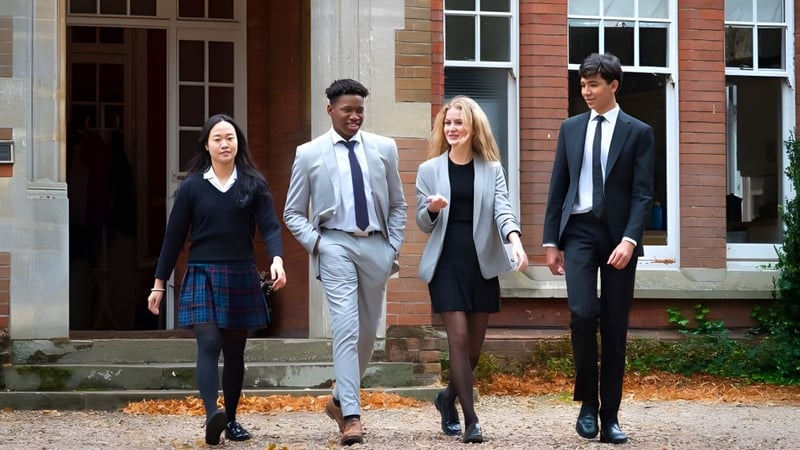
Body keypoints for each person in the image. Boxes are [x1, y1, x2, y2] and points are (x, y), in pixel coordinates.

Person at [147, 113, 287, 446]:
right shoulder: (193, 186)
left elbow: (270, 226)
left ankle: (233, 419)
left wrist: (278, 259)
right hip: (202, 273)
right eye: (217, 139)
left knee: (235, 351)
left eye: (230, 138)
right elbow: (173, 238)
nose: (224, 144)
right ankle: (213, 416)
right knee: (209, 342)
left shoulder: (254, 182)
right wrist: (158, 284)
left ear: (238, 143)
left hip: (240, 272)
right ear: (207, 145)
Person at [283, 78, 407, 446]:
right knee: (346, 329)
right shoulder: (309, 153)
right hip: (333, 243)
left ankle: (338, 399)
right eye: (347, 110)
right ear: (330, 110)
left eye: (360, 110)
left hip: (376, 247)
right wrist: (317, 244)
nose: (355, 116)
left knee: (369, 335)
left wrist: (393, 247)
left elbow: (398, 204)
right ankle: (352, 417)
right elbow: (293, 212)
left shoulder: (384, 149)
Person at [542, 53, 655, 444]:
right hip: (579, 233)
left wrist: (629, 239)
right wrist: (551, 241)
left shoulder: (638, 131)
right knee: (583, 314)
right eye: (583, 86)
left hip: (619, 236)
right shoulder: (571, 129)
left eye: (593, 85)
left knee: (615, 326)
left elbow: (643, 194)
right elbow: (558, 186)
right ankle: (587, 403)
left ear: (613, 86)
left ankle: (610, 417)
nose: (587, 92)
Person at [416, 96, 528, 444]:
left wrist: (515, 240)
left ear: (473, 127)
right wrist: (432, 209)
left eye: (458, 123)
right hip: (446, 261)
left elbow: (503, 210)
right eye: (448, 123)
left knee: (474, 350)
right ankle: (471, 420)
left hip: (481, 264)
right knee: (459, 341)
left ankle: (447, 398)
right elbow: (422, 222)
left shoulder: (491, 168)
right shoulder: (429, 170)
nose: (452, 128)